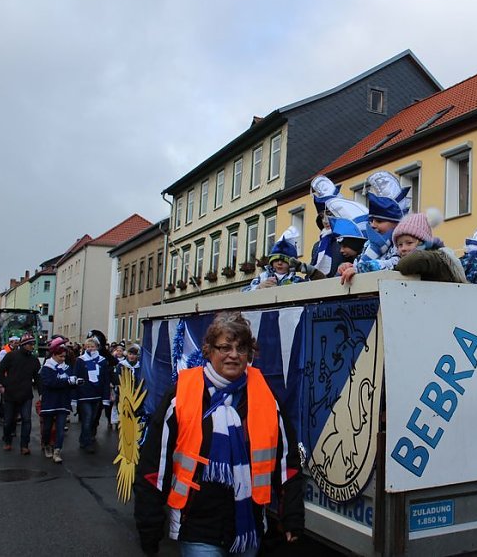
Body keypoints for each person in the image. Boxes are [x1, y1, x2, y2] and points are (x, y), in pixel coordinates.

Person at [134, 312, 304, 556]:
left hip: (249, 529)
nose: (233, 355)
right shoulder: (182, 395)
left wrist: (292, 516)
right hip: (198, 528)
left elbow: (287, 464)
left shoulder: (265, 397)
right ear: (209, 350)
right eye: (225, 347)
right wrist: (149, 526)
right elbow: (154, 466)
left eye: (241, 348)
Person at [338, 171, 410, 285]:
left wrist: (360, 269)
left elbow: (395, 263)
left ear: (396, 224)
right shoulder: (369, 244)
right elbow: (359, 263)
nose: (373, 225)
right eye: (371, 221)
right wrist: (347, 266)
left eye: (379, 221)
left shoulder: (401, 243)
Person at [393, 210, 467, 283]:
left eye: (409, 243)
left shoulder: (437, 259)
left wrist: (393, 270)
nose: (403, 248)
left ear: (423, 244)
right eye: (400, 245)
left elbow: (416, 259)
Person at [39, 340, 82, 463]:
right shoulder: (47, 368)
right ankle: (47, 444)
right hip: (50, 401)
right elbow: (50, 383)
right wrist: (67, 382)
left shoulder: (67, 368)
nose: (63, 359)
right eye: (60, 356)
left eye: (64, 356)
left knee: (60, 429)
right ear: (53, 355)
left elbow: (69, 382)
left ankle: (57, 450)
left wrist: (75, 383)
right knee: (47, 428)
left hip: (63, 401)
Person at [0, 333, 40, 454]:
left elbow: (37, 378)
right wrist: (3, 384)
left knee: (26, 420)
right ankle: (7, 441)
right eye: (31, 344)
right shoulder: (11, 356)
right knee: (9, 420)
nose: (33, 346)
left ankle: (24, 445)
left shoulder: (34, 360)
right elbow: (0, 371)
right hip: (10, 393)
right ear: (24, 345)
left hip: (26, 394)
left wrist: (41, 393)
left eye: (33, 344)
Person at [244, 226, 324, 291]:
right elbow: (244, 292)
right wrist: (258, 288)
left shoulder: (297, 280)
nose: (279, 263)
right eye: (275, 260)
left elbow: (318, 287)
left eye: (284, 260)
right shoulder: (262, 277)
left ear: (291, 263)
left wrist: (310, 270)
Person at [74, 335, 112, 453]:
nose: (90, 349)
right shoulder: (80, 360)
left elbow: (106, 380)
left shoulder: (102, 361)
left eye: (93, 346)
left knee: (93, 419)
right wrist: (74, 396)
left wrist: (106, 397)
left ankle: (84, 438)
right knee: (87, 417)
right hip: (84, 395)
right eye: (88, 346)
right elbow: (76, 377)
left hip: (97, 395)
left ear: (97, 347)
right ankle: (87, 442)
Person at [309, 175, 345, 278]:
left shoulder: (349, 240)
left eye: (329, 214)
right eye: (321, 216)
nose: (325, 220)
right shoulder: (317, 246)